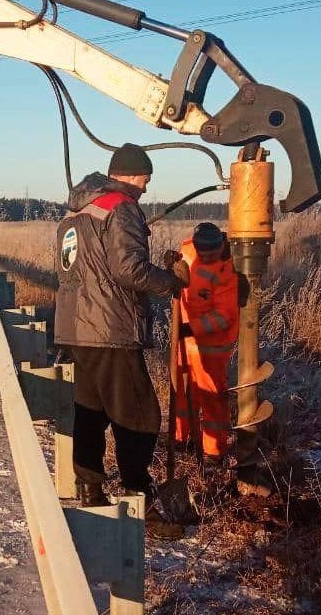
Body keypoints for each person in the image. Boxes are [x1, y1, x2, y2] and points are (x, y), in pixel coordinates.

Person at [54, 143, 187, 534]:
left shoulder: (75, 213)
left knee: (90, 414)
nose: (147, 183)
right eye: (145, 175)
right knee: (139, 415)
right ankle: (139, 501)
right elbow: (129, 271)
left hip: (77, 328)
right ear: (129, 174)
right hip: (111, 328)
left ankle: (91, 492)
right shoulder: (122, 207)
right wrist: (172, 282)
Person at [164, 222, 242, 465]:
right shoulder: (187, 250)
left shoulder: (227, 271)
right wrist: (169, 264)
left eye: (212, 255)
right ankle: (180, 438)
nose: (206, 258)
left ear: (221, 247)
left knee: (212, 398)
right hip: (183, 341)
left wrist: (191, 328)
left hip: (211, 348)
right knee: (181, 394)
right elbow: (179, 272)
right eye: (203, 254)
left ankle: (213, 452)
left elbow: (224, 316)